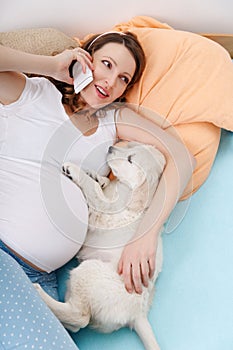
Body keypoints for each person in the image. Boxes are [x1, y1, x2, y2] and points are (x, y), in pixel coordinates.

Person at [0, 31, 195, 348]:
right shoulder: (30, 92)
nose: (111, 83)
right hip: (5, 257)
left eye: (123, 78)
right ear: (83, 58)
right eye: (106, 64)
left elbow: (182, 157)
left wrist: (145, 234)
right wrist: (51, 66)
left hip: (41, 280)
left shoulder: (112, 121)